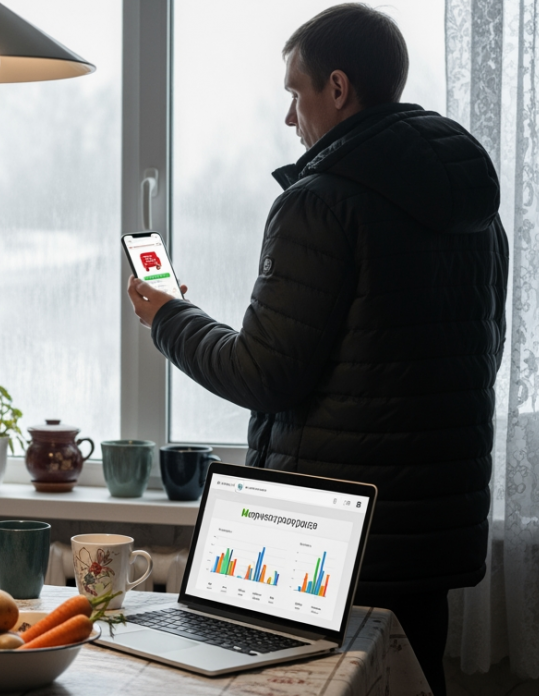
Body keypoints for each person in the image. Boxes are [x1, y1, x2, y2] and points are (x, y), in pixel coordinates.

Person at [126, 5, 507, 694]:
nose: (289, 118)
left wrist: (167, 317)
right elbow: (481, 355)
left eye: (294, 93)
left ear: (337, 87)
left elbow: (263, 372)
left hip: (331, 538)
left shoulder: (321, 202)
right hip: (430, 532)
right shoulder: (474, 210)